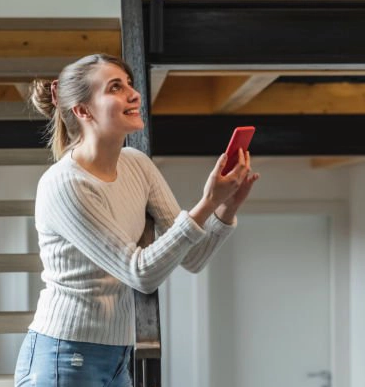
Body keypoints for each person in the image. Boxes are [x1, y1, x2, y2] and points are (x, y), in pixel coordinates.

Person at [14, 53, 259, 386]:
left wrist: (225, 209)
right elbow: (140, 273)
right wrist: (207, 202)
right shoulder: (65, 184)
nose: (134, 94)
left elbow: (193, 257)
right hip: (64, 354)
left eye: (129, 84)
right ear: (83, 111)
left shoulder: (137, 164)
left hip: (116, 355)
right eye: (115, 87)